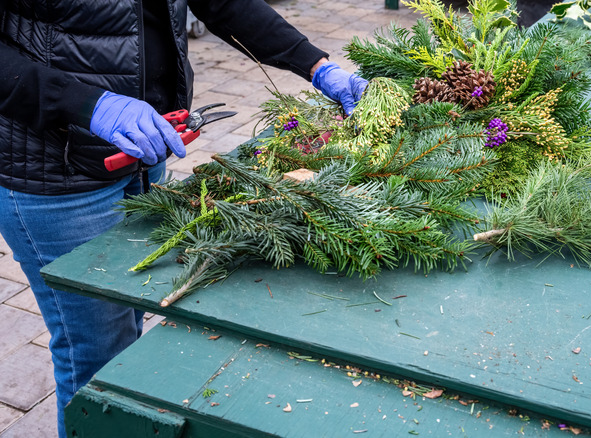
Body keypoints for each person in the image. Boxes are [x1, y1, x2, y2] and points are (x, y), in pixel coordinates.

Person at [0, 1, 368, 436]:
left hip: (143, 149)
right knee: (96, 358)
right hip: (56, 173)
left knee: (126, 321)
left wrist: (317, 66)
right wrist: (86, 104)